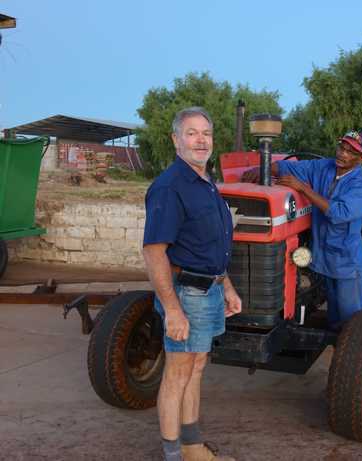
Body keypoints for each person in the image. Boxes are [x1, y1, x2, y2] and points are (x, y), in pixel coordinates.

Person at [143, 107, 240, 461]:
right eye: (191, 133)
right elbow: (154, 252)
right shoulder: (170, 187)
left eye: (206, 134)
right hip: (186, 294)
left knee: (196, 367)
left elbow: (209, 244)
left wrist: (226, 286)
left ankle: (193, 447)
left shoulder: (205, 182)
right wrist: (172, 309)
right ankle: (173, 456)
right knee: (178, 372)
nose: (201, 140)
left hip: (209, 289)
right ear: (175, 140)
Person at [241, 130, 362, 331]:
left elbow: (340, 212)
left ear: (360, 158)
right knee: (335, 317)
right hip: (321, 255)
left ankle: (358, 355)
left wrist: (303, 189)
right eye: (341, 147)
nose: (342, 154)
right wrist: (264, 169)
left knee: (353, 320)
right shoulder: (324, 166)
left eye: (350, 152)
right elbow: (290, 167)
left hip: (345, 259)